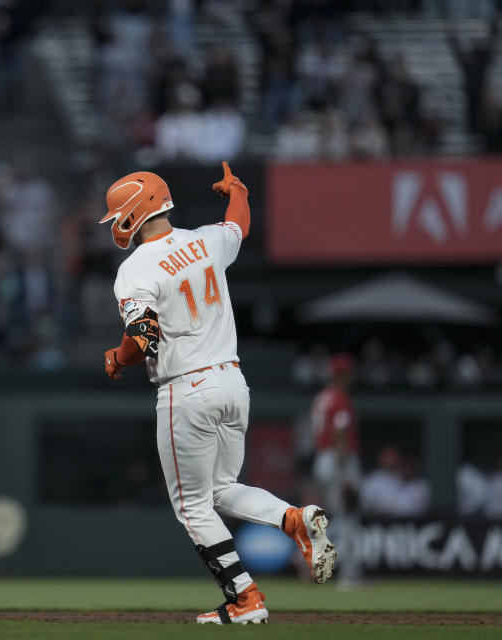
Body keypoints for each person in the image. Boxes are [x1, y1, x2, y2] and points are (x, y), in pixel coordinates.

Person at [101, 164, 335, 625]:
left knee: (191, 508)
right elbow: (238, 225)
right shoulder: (205, 240)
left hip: (186, 388)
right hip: (232, 381)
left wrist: (118, 357)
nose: (115, 224)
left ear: (132, 211)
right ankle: (294, 520)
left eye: (116, 215)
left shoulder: (137, 267)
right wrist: (239, 190)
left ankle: (245, 599)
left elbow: (143, 336)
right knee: (221, 491)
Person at [310, 353, 363, 586]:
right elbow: (339, 433)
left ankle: (311, 557)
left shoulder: (322, 397)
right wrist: (344, 474)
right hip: (337, 459)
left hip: (322, 458)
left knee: (335, 515)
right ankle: (347, 574)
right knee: (347, 516)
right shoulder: (340, 398)